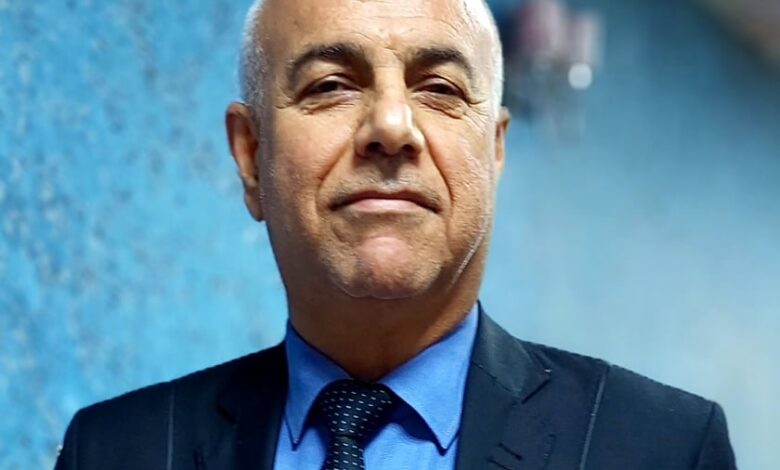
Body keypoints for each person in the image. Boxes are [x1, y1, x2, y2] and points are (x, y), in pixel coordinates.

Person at [54, 0, 737, 468]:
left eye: (439, 88)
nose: (391, 126)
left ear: (495, 152)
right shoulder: (115, 451)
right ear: (251, 155)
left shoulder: (663, 447)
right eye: (331, 85)